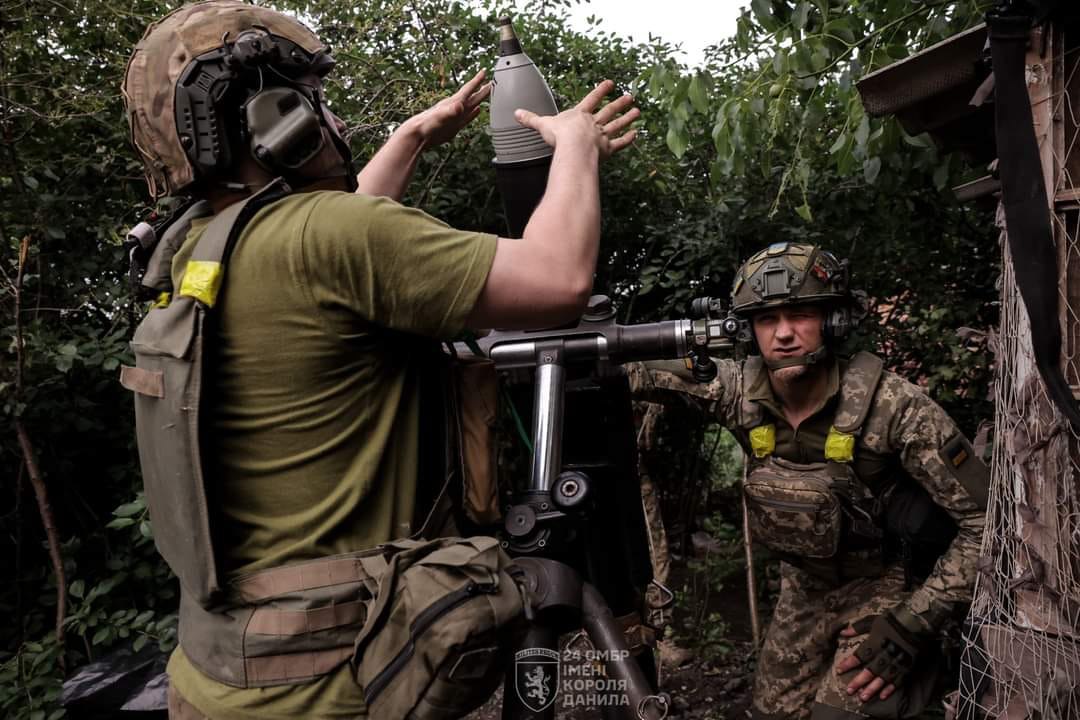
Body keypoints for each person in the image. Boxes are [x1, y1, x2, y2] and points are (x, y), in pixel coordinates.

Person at [120, 2, 638, 718]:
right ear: (276, 117)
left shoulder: (193, 251)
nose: (331, 124)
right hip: (334, 681)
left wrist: (412, 138)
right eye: (316, 104)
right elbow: (558, 279)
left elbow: (331, 255)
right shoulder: (330, 236)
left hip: (221, 674)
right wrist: (575, 146)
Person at [627, 242, 988, 719]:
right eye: (765, 319)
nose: (783, 335)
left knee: (844, 711)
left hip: (886, 584)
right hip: (804, 591)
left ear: (834, 320)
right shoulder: (738, 393)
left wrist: (911, 626)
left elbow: (985, 523)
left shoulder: (892, 406)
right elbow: (632, 371)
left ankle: (927, 679)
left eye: (800, 314)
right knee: (772, 713)